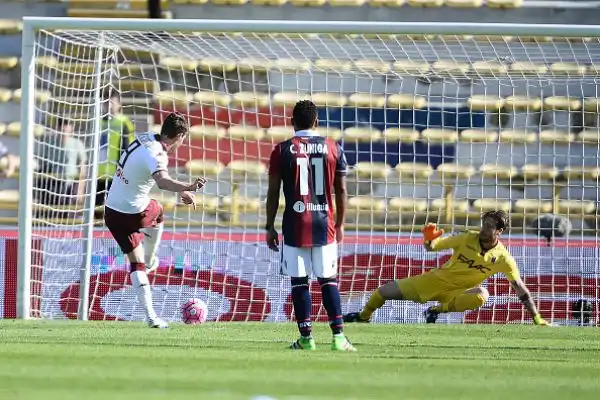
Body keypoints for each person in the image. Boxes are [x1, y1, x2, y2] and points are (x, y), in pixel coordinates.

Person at [344, 210, 550, 326]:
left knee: (482, 294)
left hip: (457, 293)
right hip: (434, 280)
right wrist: (428, 239)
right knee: (381, 292)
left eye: (489, 226)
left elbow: (520, 288)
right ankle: (363, 317)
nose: (483, 229)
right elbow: (433, 247)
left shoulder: (504, 258)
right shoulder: (466, 238)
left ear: (500, 231)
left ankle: (436, 310)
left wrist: (536, 317)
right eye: (483, 223)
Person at [265, 100, 356, 351]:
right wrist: (340, 224)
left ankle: (306, 338)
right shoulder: (333, 147)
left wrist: (269, 226)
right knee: (328, 280)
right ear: (316, 122)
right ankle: (338, 338)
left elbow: (273, 192)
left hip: (294, 223)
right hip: (323, 223)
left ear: (292, 123)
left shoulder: (281, 150)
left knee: (299, 282)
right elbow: (342, 190)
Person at [103, 112, 206, 328]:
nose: (182, 143)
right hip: (133, 211)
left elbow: (148, 175)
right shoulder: (158, 154)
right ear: (179, 136)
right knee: (157, 210)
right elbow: (162, 181)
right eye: (183, 138)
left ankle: (152, 318)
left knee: (136, 265)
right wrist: (187, 187)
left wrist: (180, 192)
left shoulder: (146, 137)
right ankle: (151, 261)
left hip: (112, 211)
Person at [34, 118, 87, 208]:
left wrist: (80, 190)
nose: (63, 127)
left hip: (70, 185)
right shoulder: (50, 143)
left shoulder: (77, 144)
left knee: (68, 215)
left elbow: (82, 167)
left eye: (66, 124)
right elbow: (42, 164)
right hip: (53, 185)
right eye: (61, 124)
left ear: (71, 127)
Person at [96, 89, 135, 210]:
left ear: (119, 104)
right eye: (106, 102)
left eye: (112, 102)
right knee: (97, 210)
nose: (108, 105)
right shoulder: (97, 122)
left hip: (117, 174)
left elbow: (128, 148)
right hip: (98, 174)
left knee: (115, 209)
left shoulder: (124, 122)